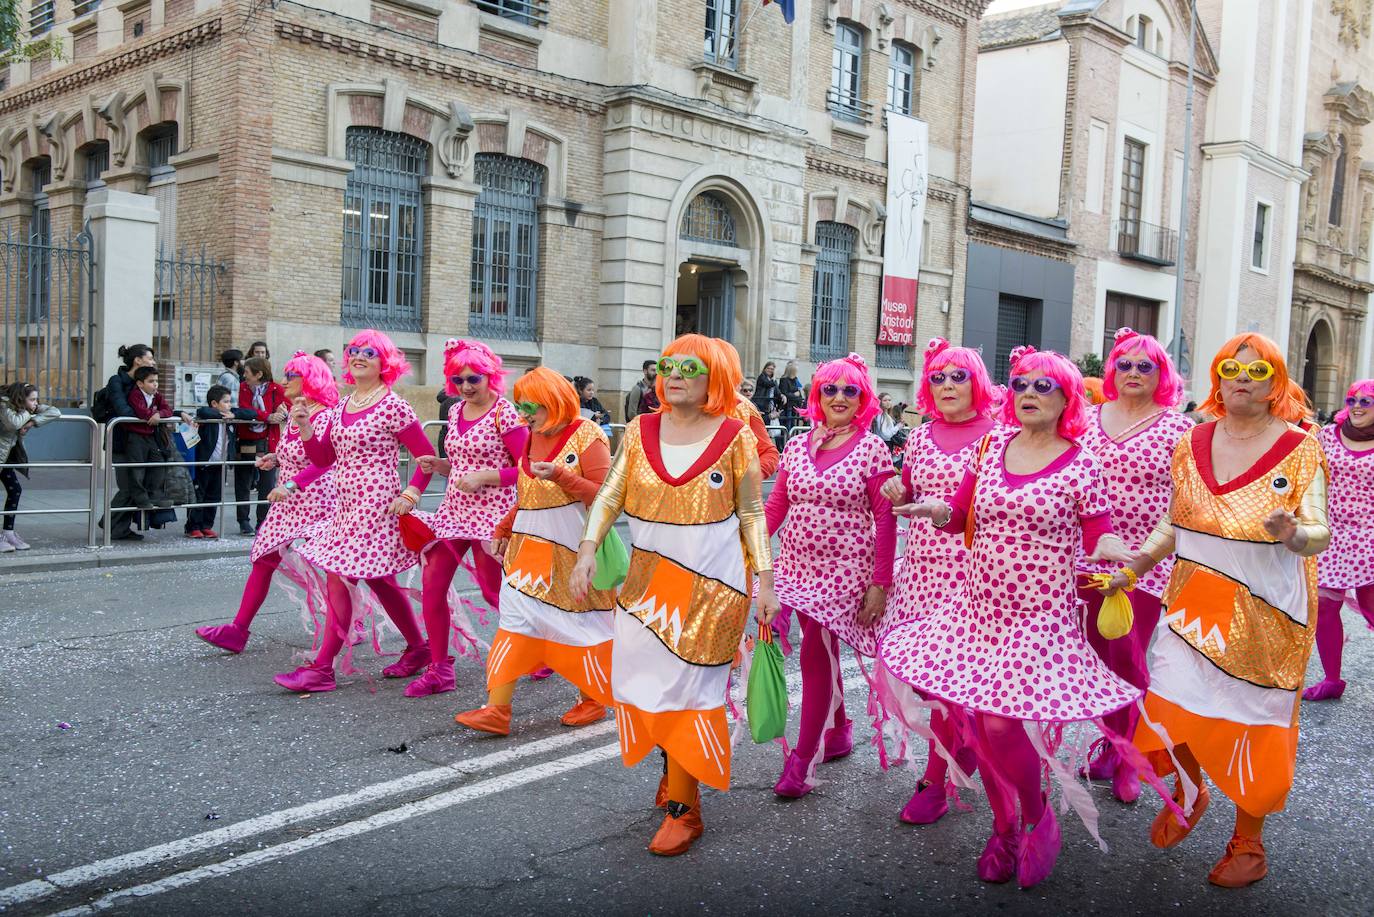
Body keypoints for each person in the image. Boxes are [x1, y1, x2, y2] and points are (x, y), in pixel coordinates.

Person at [879, 346, 1143, 889]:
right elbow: (959, 516)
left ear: (1067, 399)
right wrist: (936, 511)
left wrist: (1119, 551)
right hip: (977, 610)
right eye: (1020, 384)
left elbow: (1098, 533)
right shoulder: (993, 447)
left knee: (999, 723)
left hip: (1037, 618)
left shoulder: (1081, 461)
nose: (1027, 394)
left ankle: (1033, 810)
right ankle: (1003, 829)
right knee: (974, 720)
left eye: (1042, 387)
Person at [1111, 333, 1329, 888]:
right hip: (1193, 600)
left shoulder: (1302, 446)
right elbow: (1174, 521)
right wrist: (1136, 567)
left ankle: (1248, 842)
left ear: (1275, 383)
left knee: (1252, 720)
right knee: (1172, 703)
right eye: (1231, 367)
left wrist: (1293, 533)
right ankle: (1189, 791)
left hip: (1267, 612)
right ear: (1218, 377)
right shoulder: (1193, 440)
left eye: (1257, 372)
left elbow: (1319, 532)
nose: (1241, 379)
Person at [569, 334, 778, 857]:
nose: (676, 374)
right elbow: (612, 492)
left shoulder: (735, 435)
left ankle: (686, 811)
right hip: (645, 582)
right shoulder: (639, 430)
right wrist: (588, 548)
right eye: (668, 365)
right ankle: (675, 770)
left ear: (716, 378)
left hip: (714, 584)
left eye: (690, 366)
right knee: (644, 685)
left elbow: (752, 513)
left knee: (687, 692)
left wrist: (766, 583)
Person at [877, 337, 999, 825]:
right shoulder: (922, 436)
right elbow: (908, 489)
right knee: (928, 683)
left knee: (953, 683)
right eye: (938, 378)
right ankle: (963, 746)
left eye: (958, 376)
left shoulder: (1000, 435)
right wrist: (896, 487)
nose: (947, 385)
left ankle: (935, 780)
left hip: (974, 573)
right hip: (922, 572)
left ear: (978, 384)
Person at [274, 330, 437, 693]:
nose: (359, 356)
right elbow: (322, 459)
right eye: (354, 351)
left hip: (377, 504)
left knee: (339, 578)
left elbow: (426, 460)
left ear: (385, 364)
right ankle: (419, 647)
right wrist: (303, 427)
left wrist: (411, 494)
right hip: (345, 505)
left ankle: (322, 669)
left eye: (370, 352)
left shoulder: (394, 405)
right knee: (380, 580)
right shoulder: (343, 406)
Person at [454, 368, 615, 733]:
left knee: (579, 625)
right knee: (514, 621)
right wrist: (505, 526)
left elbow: (606, 497)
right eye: (521, 405)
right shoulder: (529, 435)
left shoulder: (587, 434)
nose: (524, 414)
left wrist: (561, 475)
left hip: (574, 548)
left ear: (554, 403)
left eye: (532, 407)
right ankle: (497, 708)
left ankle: (593, 699)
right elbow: (528, 493)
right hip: (528, 548)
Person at [766, 353, 896, 798]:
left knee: (815, 655)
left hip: (846, 571)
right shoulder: (798, 442)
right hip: (795, 564)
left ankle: (802, 759)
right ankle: (839, 729)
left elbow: (886, 519)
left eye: (850, 391)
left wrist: (880, 585)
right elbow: (777, 505)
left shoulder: (872, 448)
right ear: (816, 395)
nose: (839, 397)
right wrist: (744, 541)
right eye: (830, 389)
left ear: (864, 400)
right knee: (820, 647)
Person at [1075, 328, 1194, 802]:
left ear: (1161, 375)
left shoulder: (1177, 429)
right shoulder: (1082, 418)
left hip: (1143, 562)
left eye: (1145, 366)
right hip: (1080, 556)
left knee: (1126, 657)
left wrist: (1144, 560)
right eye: (1124, 364)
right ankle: (1111, 739)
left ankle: (1129, 757)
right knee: (1091, 658)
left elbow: (1183, 504)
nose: (1133, 373)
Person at [406, 339, 527, 698]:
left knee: (493, 592)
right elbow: (460, 464)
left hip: (493, 515)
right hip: (455, 512)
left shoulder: (505, 413)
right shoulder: (456, 412)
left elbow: (527, 469)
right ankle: (439, 668)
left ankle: (537, 650)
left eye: (473, 379)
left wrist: (485, 477)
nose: (466, 387)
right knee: (433, 586)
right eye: (458, 381)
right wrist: (440, 465)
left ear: (491, 377)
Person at [196, 354, 340, 653]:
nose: (284, 381)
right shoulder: (293, 411)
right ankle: (238, 630)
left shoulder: (325, 415)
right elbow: (294, 453)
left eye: (291, 376)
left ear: (309, 381)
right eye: (285, 374)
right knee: (262, 560)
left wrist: (290, 484)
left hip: (318, 502)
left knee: (334, 568)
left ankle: (350, 622)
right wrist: (273, 458)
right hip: (286, 504)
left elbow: (325, 462)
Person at [1306, 378, 1374, 700]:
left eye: (1366, 401)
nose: (1357, 407)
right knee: (1324, 607)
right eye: (1352, 400)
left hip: (1370, 540)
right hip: (1333, 537)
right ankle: (1332, 679)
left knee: (1371, 607)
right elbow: (1305, 472)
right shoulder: (1326, 436)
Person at [185, 385, 256, 539]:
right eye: (226, 402)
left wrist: (233, 413)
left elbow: (251, 413)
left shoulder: (229, 416)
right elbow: (202, 411)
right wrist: (221, 414)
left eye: (230, 402)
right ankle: (193, 526)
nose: (229, 405)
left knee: (214, 496)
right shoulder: (209, 416)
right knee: (199, 495)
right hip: (205, 463)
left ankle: (206, 525)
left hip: (220, 464)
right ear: (214, 404)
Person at [103, 344, 157, 541]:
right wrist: (148, 415)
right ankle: (109, 523)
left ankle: (118, 527)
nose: (153, 362)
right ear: (138, 360)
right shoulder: (117, 381)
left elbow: (159, 404)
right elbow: (122, 410)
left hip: (143, 442)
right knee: (127, 487)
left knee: (138, 485)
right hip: (121, 441)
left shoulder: (148, 382)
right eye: (150, 358)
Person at [0, 383, 61, 552]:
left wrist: (33, 421)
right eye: (32, 399)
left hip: (5, 458)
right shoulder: (4, 404)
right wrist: (28, 413)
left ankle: (8, 532)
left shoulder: (25, 408)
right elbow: (13, 423)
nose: (35, 403)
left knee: (15, 490)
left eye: (36, 399)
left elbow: (55, 411)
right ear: (21, 398)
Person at [234, 358, 287, 536]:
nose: (244, 376)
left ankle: (262, 522)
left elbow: (289, 408)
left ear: (258, 374)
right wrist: (267, 416)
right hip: (247, 440)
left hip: (268, 442)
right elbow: (243, 410)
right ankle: (243, 521)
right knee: (243, 482)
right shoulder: (243, 388)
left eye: (247, 373)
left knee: (267, 484)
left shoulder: (276, 389)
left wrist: (283, 413)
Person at [126, 366, 189, 515]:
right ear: (140, 384)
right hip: (136, 436)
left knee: (158, 463)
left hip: (151, 436)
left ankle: (154, 494)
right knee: (137, 468)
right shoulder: (135, 395)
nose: (155, 384)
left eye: (156, 381)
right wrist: (154, 414)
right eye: (151, 381)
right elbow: (141, 411)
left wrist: (158, 414)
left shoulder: (157, 396)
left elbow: (168, 409)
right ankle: (140, 497)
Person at [778, 361, 805, 431]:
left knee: (793, 424)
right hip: (787, 406)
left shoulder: (795, 379)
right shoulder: (784, 380)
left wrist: (800, 400)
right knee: (787, 425)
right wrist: (794, 395)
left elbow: (799, 392)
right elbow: (783, 392)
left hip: (795, 405)